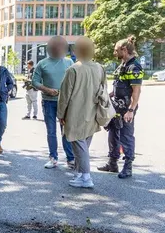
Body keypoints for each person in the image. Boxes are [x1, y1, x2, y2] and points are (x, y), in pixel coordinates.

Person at [56, 37, 107, 189]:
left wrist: (61, 114)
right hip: (93, 112)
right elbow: (104, 89)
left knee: (79, 146)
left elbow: (64, 96)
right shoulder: (99, 68)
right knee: (83, 145)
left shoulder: (73, 69)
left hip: (75, 113)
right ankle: (80, 174)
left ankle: (85, 176)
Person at [98, 36, 143, 179]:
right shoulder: (122, 65)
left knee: (126, 136)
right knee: (113, 134)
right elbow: (118, 86)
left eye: (116, 50)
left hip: (126, 108)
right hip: (116, 106)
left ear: (124, 49)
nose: (114, 53)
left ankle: (128, 167)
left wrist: (131, 110)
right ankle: (112, 163)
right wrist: (107, 95)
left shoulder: (134, 67)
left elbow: (136, 91)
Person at [32, 36, 75, 169]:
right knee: (51, 131)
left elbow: (75, 80)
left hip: (66, 102)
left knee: (66, 131)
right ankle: (53, 158)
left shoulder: (69, 63)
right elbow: (35, 82)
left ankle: (70, 158)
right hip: (48, 101)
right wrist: (47, 90)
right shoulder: (42, 64)